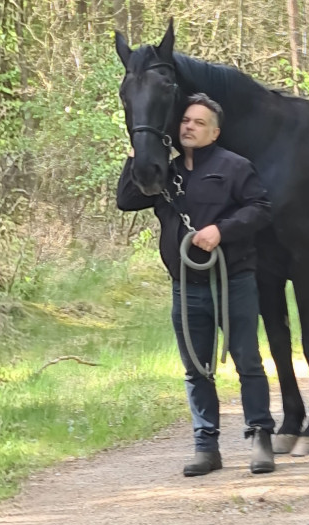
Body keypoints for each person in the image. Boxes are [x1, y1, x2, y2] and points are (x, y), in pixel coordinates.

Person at [117, 93, 276, 476]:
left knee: (247, 361)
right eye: (186, 120)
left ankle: (260, 438)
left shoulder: (235, 167)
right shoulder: (163, 173)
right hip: (185, 287)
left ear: (215, 132)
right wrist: (138, 152)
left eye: (199, 122)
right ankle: (206, 447)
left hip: (232, 281)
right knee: (195, 369)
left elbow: (261, 209)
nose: (189, 126)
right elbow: (126, 200)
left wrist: (221, 231)